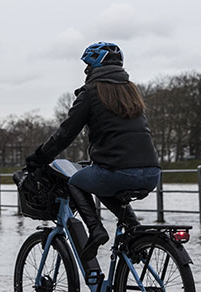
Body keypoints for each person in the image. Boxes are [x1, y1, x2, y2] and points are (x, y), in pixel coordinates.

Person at [25, 42, 161, 261]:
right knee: (102, 182)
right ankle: (135, 232)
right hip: (152, 173)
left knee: (76, 181)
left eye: (87, 67)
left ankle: (95, 229)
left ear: (94, 66)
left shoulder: (91, 92)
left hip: (117, 171)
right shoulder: (131, 91)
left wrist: (37, 159)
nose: (85, 72)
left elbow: (65, 134)